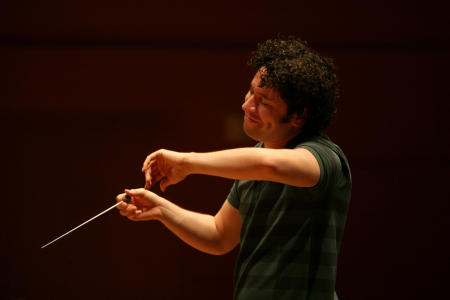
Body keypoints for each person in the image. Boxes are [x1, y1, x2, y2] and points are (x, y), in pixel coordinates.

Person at [116, 37, 351, 300]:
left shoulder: (324, 156)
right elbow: (219, 236)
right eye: (251, 92)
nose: (247, 105)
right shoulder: (254, 162)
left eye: (264, 101)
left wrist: (185, 163)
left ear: (299, 116)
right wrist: (161, 209)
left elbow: (269, 165)